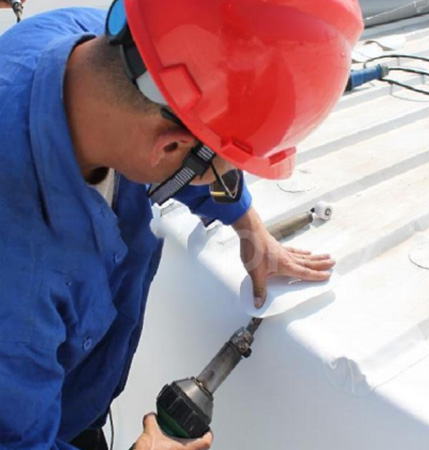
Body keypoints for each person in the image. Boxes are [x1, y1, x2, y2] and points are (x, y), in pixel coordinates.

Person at [0, 0, 363, 449]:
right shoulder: (19, 286)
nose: (220, 184)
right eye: (223, 176)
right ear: (169, 146)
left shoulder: (112, 47)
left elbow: (184, 139)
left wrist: (248, 226)